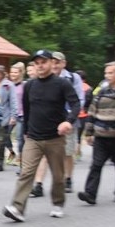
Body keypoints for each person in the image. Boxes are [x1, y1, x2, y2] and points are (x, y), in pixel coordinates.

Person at [2, 49, 80, 222]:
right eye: (37, 63)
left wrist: (68, 121)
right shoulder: (29, 85)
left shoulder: (62, 84)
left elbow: (75, 104)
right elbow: (27, 110)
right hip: (33, 137)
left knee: (58, 175)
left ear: (52, 63)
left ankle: (58, 203)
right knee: (26, 172)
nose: (40, 66)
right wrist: (26, 132)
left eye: (43, 62)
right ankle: (17, 207)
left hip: (55, 138)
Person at [77, 62, 115, 205]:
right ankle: (90, 194)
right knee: (96, 165)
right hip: (101, 136)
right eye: (106, 73)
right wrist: (89, 132)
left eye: (110, 73)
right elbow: (92, 112)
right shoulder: (102, 91)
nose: (107, 76)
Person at [29, 51, 84, 197]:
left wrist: (69, 119)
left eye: (57, 62)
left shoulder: (71, 78)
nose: (55, 64)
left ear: (63, 63)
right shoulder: (38, 80)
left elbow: (79, 101)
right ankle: (39, 184)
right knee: (43, 155)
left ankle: (67, 179)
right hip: (46, 123)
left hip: (66, 122)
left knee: (67, 153)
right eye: (52, 61)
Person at [0, 65, 18, 172]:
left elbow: (13, 101)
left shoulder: (8, 85)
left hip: (3, 117)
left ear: (2, 74)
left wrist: (13, 116)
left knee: (0, 140)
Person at [74, 70, 93, 160]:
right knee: (79, 134)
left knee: (76, 135)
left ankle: (77, 153)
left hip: (75, 114)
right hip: (84, 114)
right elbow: (89, 102)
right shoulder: (88, 88)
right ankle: (78, 152)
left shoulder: (73, 86)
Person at [9, 63, 26, 164]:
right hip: (10, 115)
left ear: (20, 73)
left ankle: (21, 157)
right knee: (5, 136)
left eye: (15, 72)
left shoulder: (24, 85)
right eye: (11, 72)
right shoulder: (8, 85)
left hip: (21, 115)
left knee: (19, 138)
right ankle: (11, 152)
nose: (13, 74)